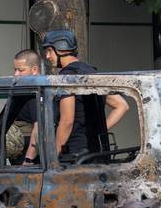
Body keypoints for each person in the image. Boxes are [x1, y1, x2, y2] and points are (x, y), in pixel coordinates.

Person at [38, 29, 128, 162]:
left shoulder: (67, 77)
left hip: (74, 154)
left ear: (61, 49)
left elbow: (67, 120)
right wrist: (100, 130)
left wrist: (54, 154)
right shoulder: (91, 72)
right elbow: (122, 105)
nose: (47, 56)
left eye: (50, 51)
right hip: (97, 152)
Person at [2, 49, 41, 164]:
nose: (16, 74)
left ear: (34, 70)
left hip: (29, 162)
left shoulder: (34, 94)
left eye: (21, 70)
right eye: (15, 70)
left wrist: (28, 159)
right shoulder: (24, 90)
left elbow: (39, 128)